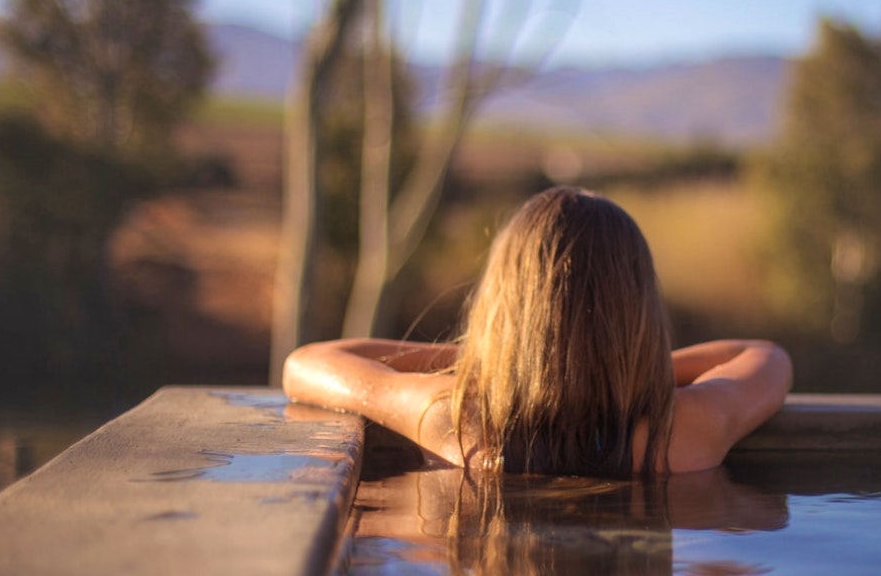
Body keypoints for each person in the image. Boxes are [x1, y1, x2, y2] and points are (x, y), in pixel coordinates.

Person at [282, 186, 792, 476]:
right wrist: (627, 373)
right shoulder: (692, 427)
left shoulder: (451, 417)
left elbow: (305, 363)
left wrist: (487, 363)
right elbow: (763, 354)